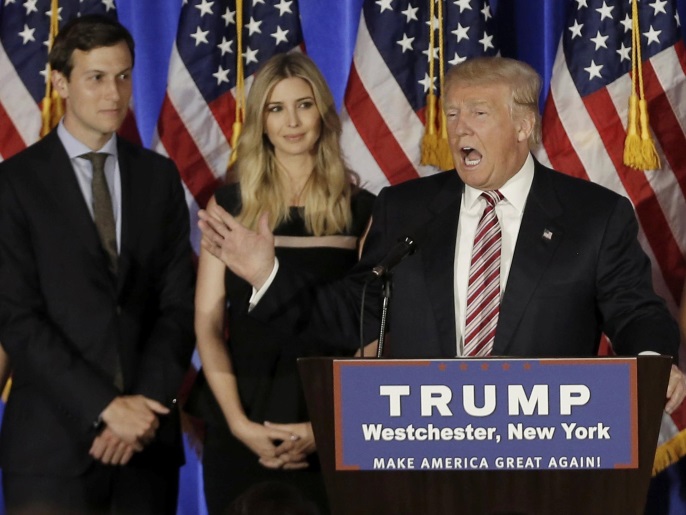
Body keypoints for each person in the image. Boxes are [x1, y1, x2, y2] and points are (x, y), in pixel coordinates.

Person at [198, 56, 686, 413]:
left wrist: (648, 365)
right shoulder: (407, 209)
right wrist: (267, 273)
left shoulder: (594, 215)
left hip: (547, 458)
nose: (458, 129)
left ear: (523, 125)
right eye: (451, 114)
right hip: (427, 464)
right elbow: (354, 315)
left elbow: (635, 310)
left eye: (478, 113)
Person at [0, 15, 195, 514]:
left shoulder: (159, 177)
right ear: (60, 82)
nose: (114, 93)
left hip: (146, 448)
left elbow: (177, 306)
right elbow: (17, 319)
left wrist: (144, 407)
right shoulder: (15, 183)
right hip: (51, 448)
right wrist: (107, 408)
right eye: (97, 77)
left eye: (124, 75)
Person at [189, 52, 375, 514]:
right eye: (276, 108)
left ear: (323, 114)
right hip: (243, 419)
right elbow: (208, 323)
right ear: (260, 122)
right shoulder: (229, 204)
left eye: (304, 105)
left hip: (330, 423)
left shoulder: (366, 209)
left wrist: (331, 426)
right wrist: (236, 423)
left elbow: (372, 332)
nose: (292, 121)